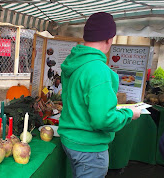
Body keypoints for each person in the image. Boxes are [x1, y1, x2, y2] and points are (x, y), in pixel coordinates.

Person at [58, 12, 141, 178]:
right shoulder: (99, 70)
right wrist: (129, 114)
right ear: (109, 39)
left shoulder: (74, 62)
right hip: (89, 148)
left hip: (70, 141)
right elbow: (103, 119)